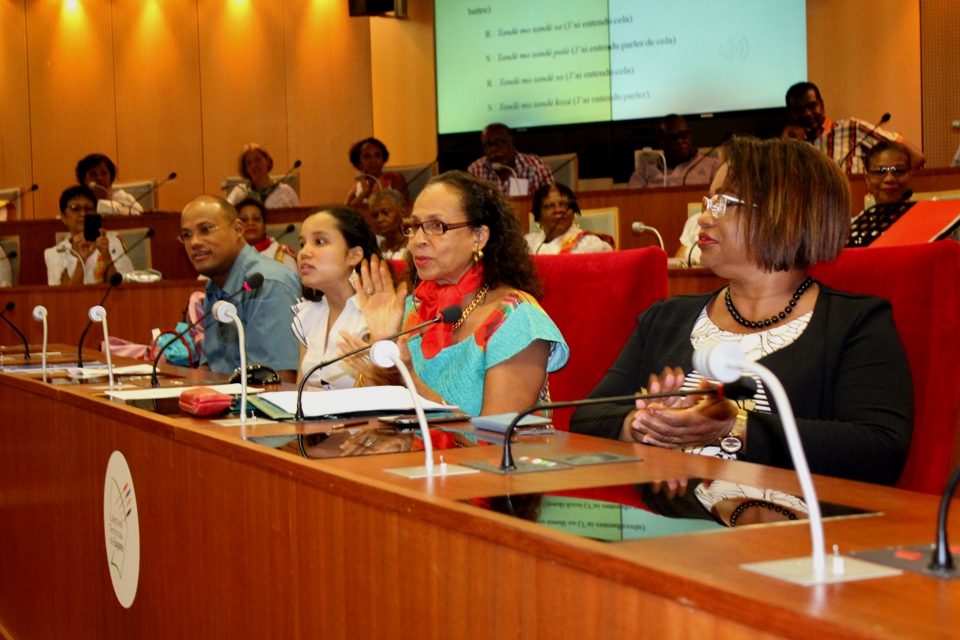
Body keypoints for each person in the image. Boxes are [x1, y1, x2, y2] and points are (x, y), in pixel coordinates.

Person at [571, 136, 913, 487]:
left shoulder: (856, 324)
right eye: (708, 202)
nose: (703, 217)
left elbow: (880, 452)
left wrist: (734, 426)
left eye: (724, 202)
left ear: (786, 212)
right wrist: (645, 424)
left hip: (793, 519)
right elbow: (587, 418)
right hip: (666, 516)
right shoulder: (664, 319)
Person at [341, 170, 570, 417]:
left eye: (436, 226)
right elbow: (365, 418)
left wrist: (407, 377)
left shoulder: (516, 319)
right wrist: (382, 347)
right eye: (415, 226)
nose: (417, 240)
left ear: (479, 237)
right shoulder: (413, 308)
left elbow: (495, 436)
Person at [180, 196, 300, 377]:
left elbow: (277, 380)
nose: (194, 242)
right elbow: (210, 368)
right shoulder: (215, 285)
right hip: (229, 392)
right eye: (187, 235)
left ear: (237, 229)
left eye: (205, 230)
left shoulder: (267, 284)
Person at [292, 206, 382, 390]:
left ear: (354, 255)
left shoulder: (375, 317)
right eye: (302, 244)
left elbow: (373, 398)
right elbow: (300, 393)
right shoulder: (308, 314)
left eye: (319, 241)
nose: (304, 252)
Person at [781, 82, 925, 174]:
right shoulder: (789, 146)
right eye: (799, 109)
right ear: (790, 114)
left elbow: (916, 158)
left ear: (822, 106)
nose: (807, 113)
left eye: (812, 106)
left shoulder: (852, 128)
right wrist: (784, 145)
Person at [44, 185, 134, 285]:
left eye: (88, 208)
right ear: (64, 218)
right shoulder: (56, 253)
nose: (83, 214)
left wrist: (106, 256)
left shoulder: (112, 242)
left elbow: (123, 287)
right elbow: (67, 294)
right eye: (75, 208)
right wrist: (81, 261)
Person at [629, 115, 722, 188]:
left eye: (684, 135)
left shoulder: (713, 166)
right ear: (660, 142)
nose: (680, 141)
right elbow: (632, 201)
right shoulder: (644, 170)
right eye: (672, 137)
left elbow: (722, 200)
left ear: (691, 137)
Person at [525, 183, 614, 254]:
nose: (558, 210)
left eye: (564, 205)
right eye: (549, 206)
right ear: (538, 216)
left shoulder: (588, 243)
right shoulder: (528, 243)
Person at [467, 123, 554, 196]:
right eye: (488, 145)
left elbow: (551, 201)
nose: (493, 149)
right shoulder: (475, 170)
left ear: (512, 142)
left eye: (499, 142)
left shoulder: (536, 167)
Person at [226, 144, 301, 209]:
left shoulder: (285, 192)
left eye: (257, 160)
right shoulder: (239, 193)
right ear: (245, 169)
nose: (254, 165)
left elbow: (299, 217)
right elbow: (225, 215)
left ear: (267, 161)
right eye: (249, 163)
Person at [235, 198, 298, 273]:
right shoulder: (230, 256)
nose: (250, 223)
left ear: (265, 225)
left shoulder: (282, 255)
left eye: (256, 219)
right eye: (244, 220)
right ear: (236, 228)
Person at [345, 138, 409, 206]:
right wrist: (363, 193)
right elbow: (345, 211)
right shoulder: (357, 187)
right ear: (359, 162)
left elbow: (402, 206)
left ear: (383, 159)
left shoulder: (395, 178)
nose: (373, 160)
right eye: (367, 157)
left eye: (377, 155)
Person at [75, 153, 143, 215]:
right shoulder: (78, 203)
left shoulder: (123, 198)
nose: (99, 178)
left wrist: (119, 210)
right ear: (85, 179)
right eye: (93, 174)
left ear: (110, 177)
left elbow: (141, 216)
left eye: (104, 173)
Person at [863, 140, 914, 207]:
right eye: (880, 171)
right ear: (867, 179)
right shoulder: (863, 214)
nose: (889, 179)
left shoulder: (924, 213)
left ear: (910, 176)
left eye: (898, 171)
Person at [367, 189, 409, 260]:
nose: (380, 219)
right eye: (375, 215)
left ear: (402, 212)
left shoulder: (413, 245)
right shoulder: (374, 246)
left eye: (385, 212)